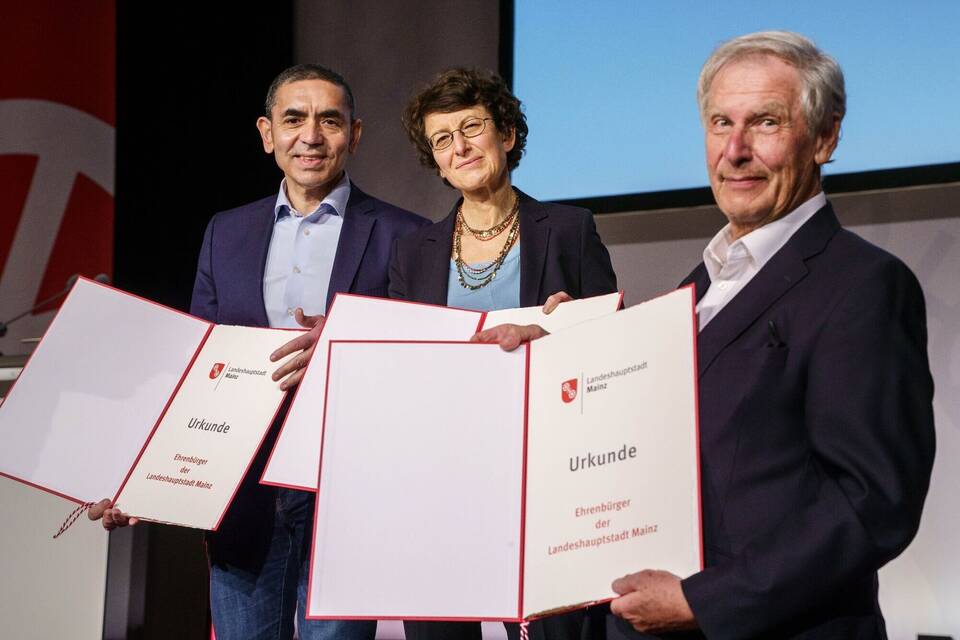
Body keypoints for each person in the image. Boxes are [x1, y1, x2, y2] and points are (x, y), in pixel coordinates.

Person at [481, 31, 936, 639]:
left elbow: (873, 501)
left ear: (825, 137)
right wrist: (565, 353)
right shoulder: (698, 287)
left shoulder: (864, 285)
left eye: (766, 123)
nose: (736, 150)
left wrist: (706, 600)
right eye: (721, 123)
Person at [89, 63, 429, 640]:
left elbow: (422, 363)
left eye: (330, 120)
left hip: (345, 487)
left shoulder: (407, 234)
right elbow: (199, 367)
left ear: (355, 134)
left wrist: (348, 339)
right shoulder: (227, 231)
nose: (311, 136)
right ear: (267, 133)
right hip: (243, 491)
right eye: (293, 119)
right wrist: (146, 477)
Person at [391, 68, 618, 640]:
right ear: (436, 162)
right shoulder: (411, 253)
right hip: (443, 482)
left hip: (548, 477)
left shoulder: (569, 230)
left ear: (508, 135)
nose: (460, 147)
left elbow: (617, 351)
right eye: (443, 139)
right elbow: (397, 364)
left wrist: (567, 334)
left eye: (472, 127)